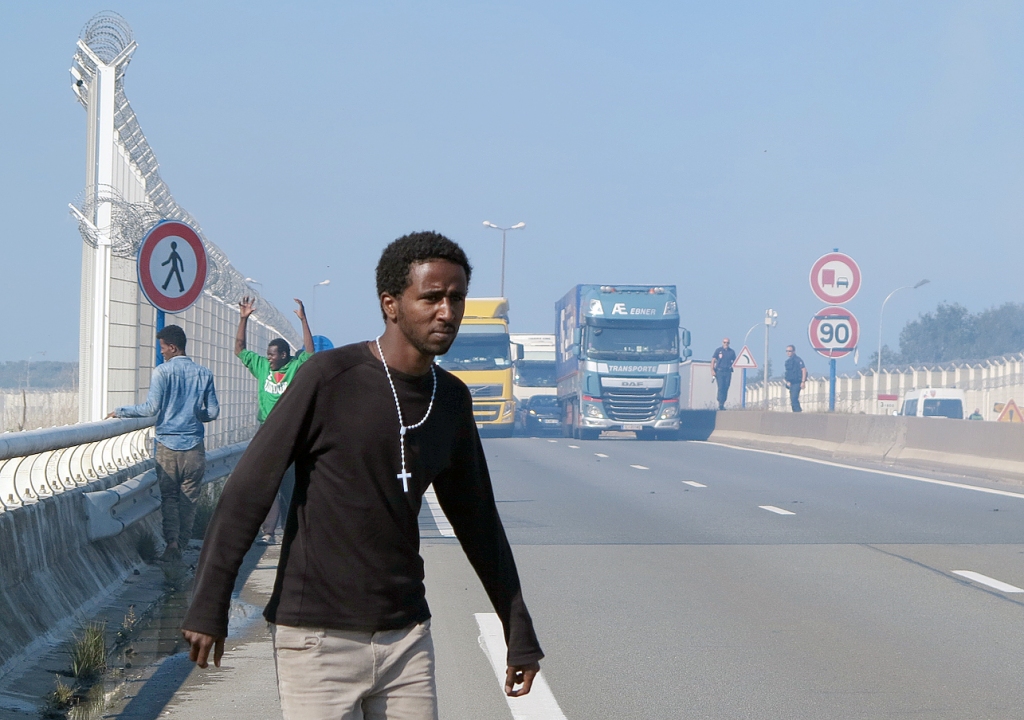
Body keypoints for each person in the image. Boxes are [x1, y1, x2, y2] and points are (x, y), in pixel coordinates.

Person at [182, 232, 543, 719]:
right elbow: (247, 491)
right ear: (391, 304)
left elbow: (478, 522)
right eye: (432, 297)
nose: (447, 311)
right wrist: (210, 604)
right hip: (317, 638)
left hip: (407, 637)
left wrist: (517, 628)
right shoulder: (328, 378)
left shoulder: (451, 400)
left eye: (456, 298)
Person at [108, 325, 219, 561]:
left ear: (173, 347)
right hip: (194, 446)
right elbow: (213, 411)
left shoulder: (162, 372)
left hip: (167, 446)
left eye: (163, 348)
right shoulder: (204, 374)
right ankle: (182, 546)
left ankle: (171, 543)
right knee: (189, 500)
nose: (162, 353)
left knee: (169, 498)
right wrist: (196, 415)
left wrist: (121, 411)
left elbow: (151, 408)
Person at [235, 296, 315, 544]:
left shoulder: (293, 367)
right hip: (266, 432)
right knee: (267, 483)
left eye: (273, 354)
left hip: (289, 434)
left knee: (289, 484)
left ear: (284, 355)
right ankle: (268, 531)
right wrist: (243, 319)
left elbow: (310, 352)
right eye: (267, 354)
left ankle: (293, 529)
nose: (268, 358)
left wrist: (304, 320)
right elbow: (239, 349)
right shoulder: (261, 367)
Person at [711, 337, 736, 410]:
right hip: (719, 371)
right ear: (722, 343)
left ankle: (723, 402)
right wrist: (712, 370)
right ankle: (720, 403)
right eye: (724, 342)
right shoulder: (718, 351)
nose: (726, 344)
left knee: (726, 387)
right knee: (721, 387)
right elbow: (713, 360)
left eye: (727, 342)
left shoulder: (732, 352)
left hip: (728, 372)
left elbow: (735, 361)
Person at [784, 345, 807, 412]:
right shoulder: (788, 362)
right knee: (792, 399)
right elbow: (789, 373)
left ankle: (798, 413)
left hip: (797, 382)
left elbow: (804, 369)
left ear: (794, 351)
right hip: (791, 383)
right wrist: (788, 381)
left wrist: (803, 382)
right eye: (787, 351)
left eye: (790, 351)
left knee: (794, 398)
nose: (788, 352)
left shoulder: (798, 360)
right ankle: (795, 413)